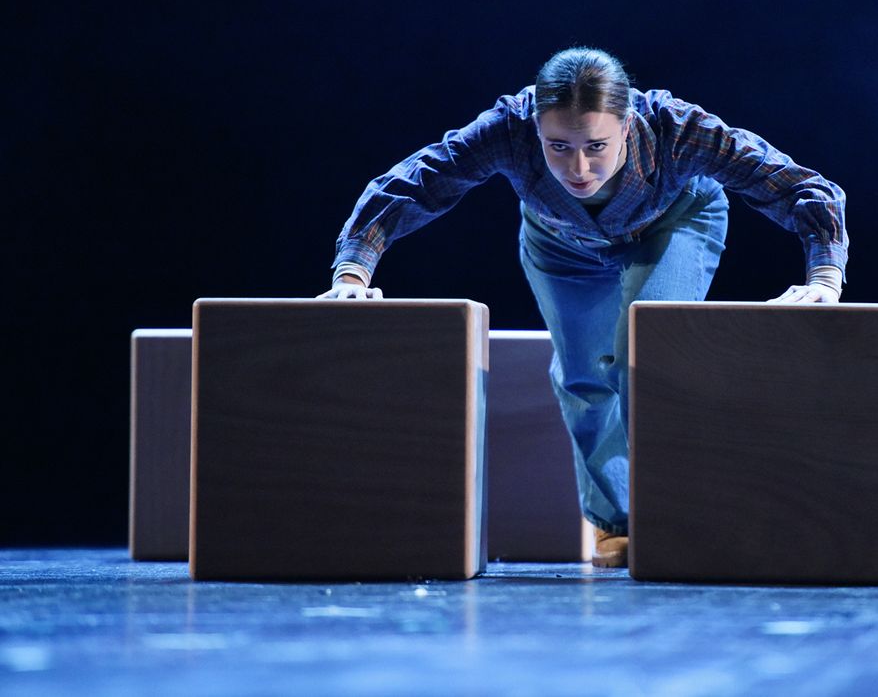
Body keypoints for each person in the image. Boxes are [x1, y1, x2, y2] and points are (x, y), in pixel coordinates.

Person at [318, 48, 848, 568]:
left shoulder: (677, 129)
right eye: (558, 147)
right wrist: (352, 273)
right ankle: (616, 523)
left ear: (627, 123)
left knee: (642, 358)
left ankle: (677, 514)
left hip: (672, 223)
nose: (578, 167)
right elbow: (417, 181)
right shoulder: (508, 129)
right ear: (536, 128)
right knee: (583, 376)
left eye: (596, 146)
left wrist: (824, 275)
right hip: (560, 242)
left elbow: (795, 184)